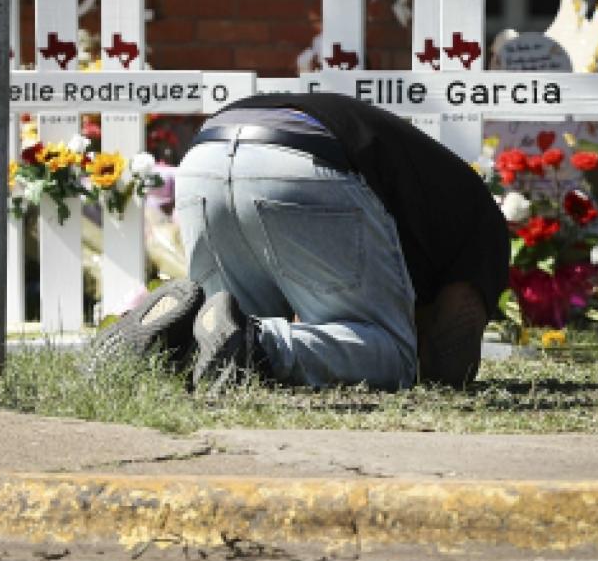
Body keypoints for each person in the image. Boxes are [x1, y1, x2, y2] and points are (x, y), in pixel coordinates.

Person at [90, 93, 509, 392]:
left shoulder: (440, 197)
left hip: (205, 155)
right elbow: (451, 359)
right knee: (393, 357)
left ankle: (167, 343)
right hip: (306, 161)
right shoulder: (484, 229)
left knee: (217, 335)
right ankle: (259, 344)